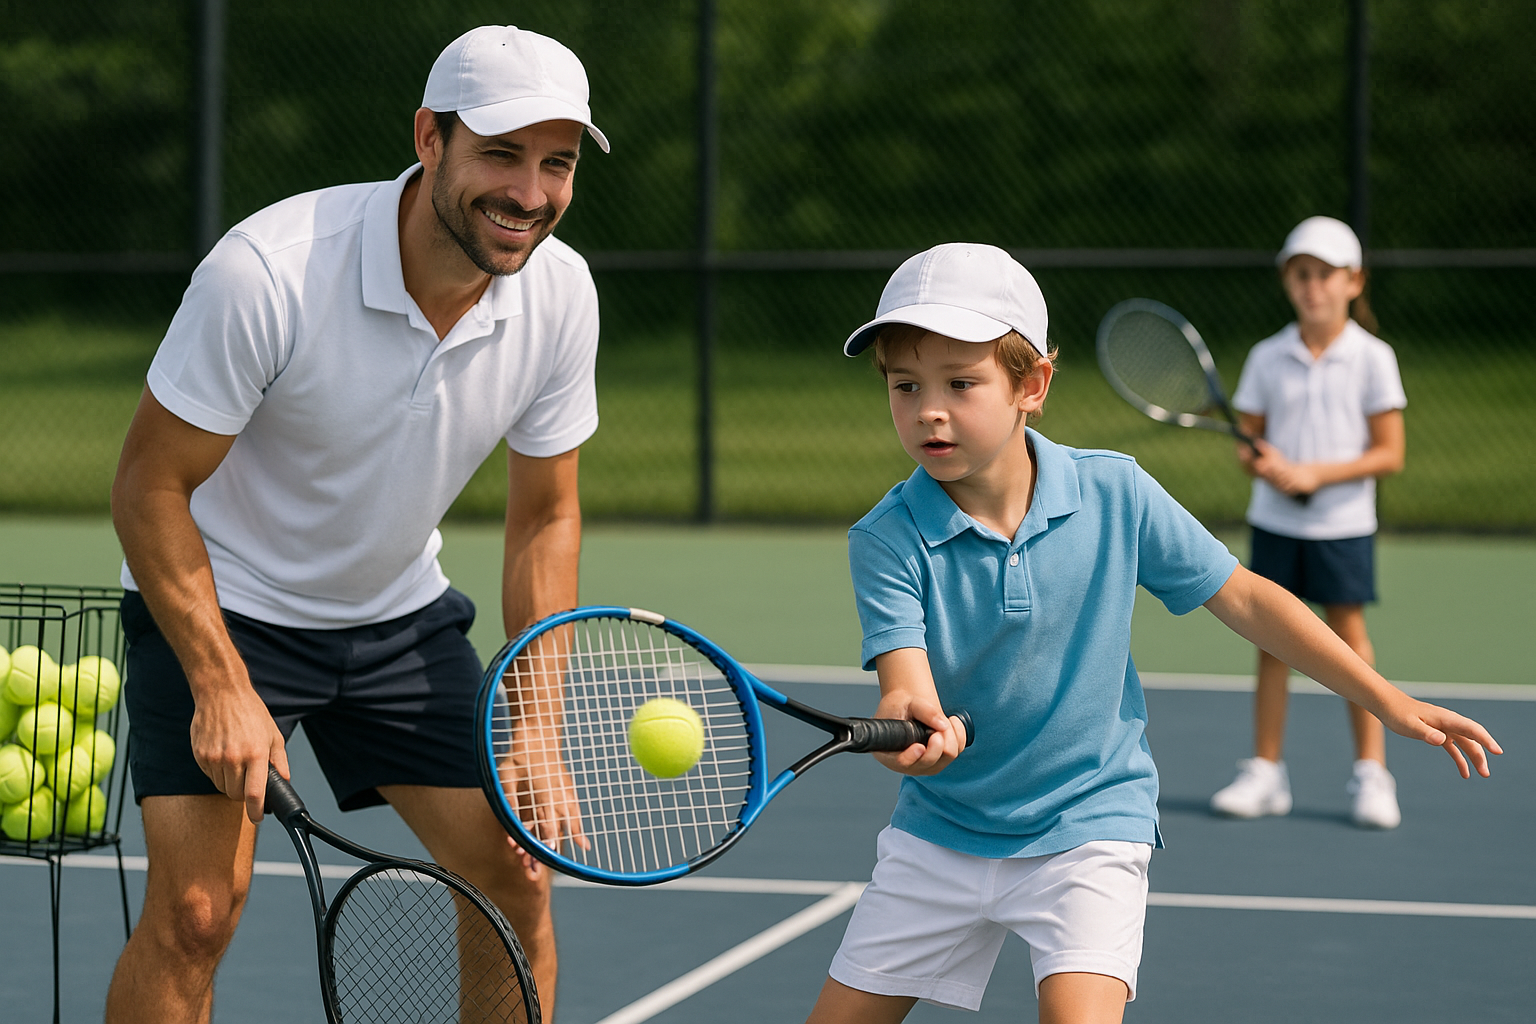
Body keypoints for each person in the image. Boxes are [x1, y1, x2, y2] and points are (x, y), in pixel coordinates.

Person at [802, 243, 1498, 1024]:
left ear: (1033, 386)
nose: (929, 409)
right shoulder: (886, 538)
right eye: (905, 386)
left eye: (961, 384)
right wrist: (909, 736)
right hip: (941, 835)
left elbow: (1248, 600)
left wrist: (1384, 700)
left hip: (1088, 826)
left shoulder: (1115, 491)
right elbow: (906, 688)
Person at [104, 25, 607, 1023]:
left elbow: (546, 519)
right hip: (227, 604)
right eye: (501, 154)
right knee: (198, 913)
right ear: (429, 138)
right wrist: (221, 683)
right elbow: (148, 487)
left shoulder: (561, 294)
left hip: (395, 619)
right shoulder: (270, 271)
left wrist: (537, 726)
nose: (530, 193)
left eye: (556, 164)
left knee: (515, 886)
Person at [1208, 216, 1408, 829]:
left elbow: (1389, 453)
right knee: (1272, 642)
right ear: (1287, 282)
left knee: (1350, 638)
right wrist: (1261, 463)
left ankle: (1372, 773)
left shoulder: (1373, 358)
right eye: (1301, 274)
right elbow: (1249, 442)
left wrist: (1314, 475)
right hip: (1275, 522)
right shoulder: (1267, 357)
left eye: (1325, 274)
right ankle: (1265, 772)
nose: (1312, 286)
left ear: (1354, 282)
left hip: (1343, 525)